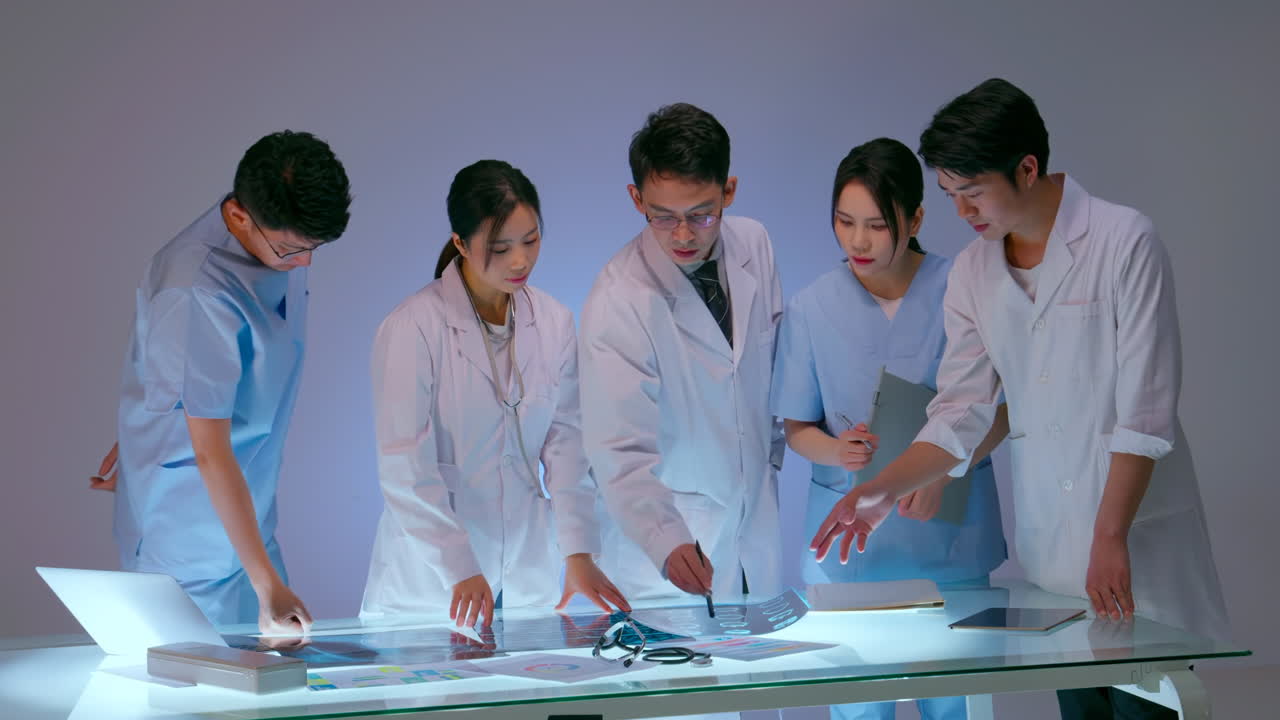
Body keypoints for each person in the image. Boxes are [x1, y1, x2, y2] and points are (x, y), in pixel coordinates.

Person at [810, 79, 1229, 720]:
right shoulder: (975, 276)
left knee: (1155, 705)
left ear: (1027, 168)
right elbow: (959, 411)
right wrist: (881, 490)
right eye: (951, 196)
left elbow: (1146, 411)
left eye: (972, 193)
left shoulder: (1124, 242)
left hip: (1135, 546)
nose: (963, 212)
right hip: (1056, 560)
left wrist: (1111, 534)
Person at [772, 137, 1008, 720]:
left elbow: (1003, 410)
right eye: (844, 221)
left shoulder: (965, 288)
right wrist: (835, 448)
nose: (858, 241)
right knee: (858, 709)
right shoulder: (811, 307)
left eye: (877, 225)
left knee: (958, 705)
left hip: (949, 537)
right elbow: (796, 426)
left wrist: (949, 468)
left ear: (916, 218)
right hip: (854, 548)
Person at [94, 130, 351, 633]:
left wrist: (155, 419)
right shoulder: (195, 288)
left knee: (262, 691)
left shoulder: (272, 240)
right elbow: (208, 451)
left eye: (314, 248)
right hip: (186, 537)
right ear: (237, 216)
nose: (305, 263)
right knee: (192, 700)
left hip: (246, 515)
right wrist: (269, 584)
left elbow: (191, 372)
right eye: (292, 250)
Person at [360, 160, 628, 628]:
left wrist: (578, 551)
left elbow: (566, 447)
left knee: (530, 695)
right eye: (500, 248)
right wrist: (457, 565)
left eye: (531, 240)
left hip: (524, 570)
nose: (520, 261)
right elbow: (405, 467)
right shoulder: (412, 328)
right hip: (432, 583)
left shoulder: (554, 321)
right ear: (461, 244)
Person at [580, 102, 785, 606]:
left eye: (701, 214)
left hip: (753, 529)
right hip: (669, 548)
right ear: (636, 198)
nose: (684, 234)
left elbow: (768, 374)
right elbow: (617, 450)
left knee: (760, 680)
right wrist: (662, 538)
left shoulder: (754, 244)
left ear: (729, 190)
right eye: (663, 217)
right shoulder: (618, 297)